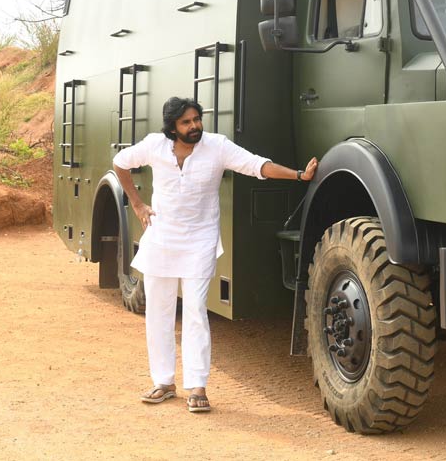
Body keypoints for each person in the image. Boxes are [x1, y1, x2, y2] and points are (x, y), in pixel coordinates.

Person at [112, 96, 318, 413]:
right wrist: (138, 205)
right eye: (186, 122)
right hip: (162, 238)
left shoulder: (217, 146)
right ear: (172, 128)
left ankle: (197, 385)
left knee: (195, 309)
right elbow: (121, 163)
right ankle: (164, 382)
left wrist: (299, 175)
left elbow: (256, 165)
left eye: (197, 119)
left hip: (200, 239)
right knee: (158, 310)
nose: (195, 126)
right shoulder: (154, 146)